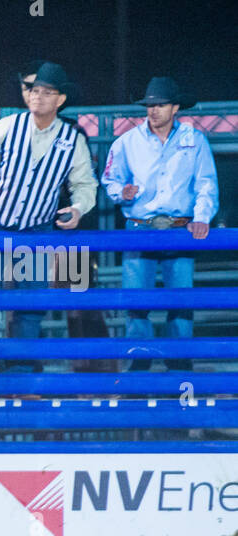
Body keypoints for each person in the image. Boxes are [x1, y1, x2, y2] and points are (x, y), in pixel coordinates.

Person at [0, 62, 98, 372]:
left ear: (60, 100)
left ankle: (18, 377)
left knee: (29, 308)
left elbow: (86, 184)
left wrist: (77, 208)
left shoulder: (72, 139)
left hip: (36, 231)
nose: (38, 97)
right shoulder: (8, 126)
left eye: (46, 92)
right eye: (35, 91)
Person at [101, 76, 218, 371]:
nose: (153, 110)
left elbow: (206, 183)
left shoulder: (195, 140)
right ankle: (140, 369)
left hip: (179, 229)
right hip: (140, 227)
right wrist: (120, 193)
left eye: (160, 105)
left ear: (175, 107)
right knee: (136, 303)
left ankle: (179, 368)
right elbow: (110, 179)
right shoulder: (127, 142)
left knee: (180, 303)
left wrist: (202, 217)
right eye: (150, 105)